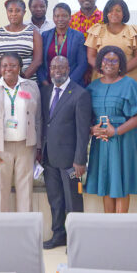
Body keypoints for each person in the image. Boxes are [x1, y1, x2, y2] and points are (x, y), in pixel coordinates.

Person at [86, 46, 137, 213]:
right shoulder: (92, 87)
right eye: (106, 60)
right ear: (100, 63)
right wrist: (93, 130)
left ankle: (121, 227)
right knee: (106, 183)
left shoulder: (129, 84)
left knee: (121, 184)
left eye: (115, 60)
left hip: (123, 140)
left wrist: (116, 131)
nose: (110, 64)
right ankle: (109, 228)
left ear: (121, 64)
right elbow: (85, 117)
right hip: (101, 142)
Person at [40, 56, 93, 249]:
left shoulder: (80, 94)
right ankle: (58, 235)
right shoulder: (45, 92)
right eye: (53, 67)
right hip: (49, 159)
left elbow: (82, 131)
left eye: (61, 67)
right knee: (55, 200)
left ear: (68, 68)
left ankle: (76, 239)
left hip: (71, 161)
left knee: (73, 200)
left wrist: (80, 160)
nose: (57, 71)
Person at [0, 52, 42, 212]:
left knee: (25, 190)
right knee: (0, 191)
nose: (9, 69)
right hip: (0, 149)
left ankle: (26, 233)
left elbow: (38, 118)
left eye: (13, 65)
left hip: (26, 147)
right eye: (5, 65)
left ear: (19, 67)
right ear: (0, 68)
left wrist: (39, 147)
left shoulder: (31, 86)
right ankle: (2, 232)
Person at [85, 0, 137, 81]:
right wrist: (106, 71)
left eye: (118, 10)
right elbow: (91, 57)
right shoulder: (97, 30)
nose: (114, 13)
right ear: (106, 13)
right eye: (110, 11)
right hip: (103, 77)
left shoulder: (133, 31)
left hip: (127, 78)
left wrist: (119, 71)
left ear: (124, 13)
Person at [0, 0, 43, 82]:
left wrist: (22, 79)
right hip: (4, 82)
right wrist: (4, 79)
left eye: (17, 11)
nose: (13, 14)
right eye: (10, 11)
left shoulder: (33, 33)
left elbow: (37, 61)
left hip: (27, 81)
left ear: (24, 12)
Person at [37, 3, 87, 86]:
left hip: (72, 85)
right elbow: (40, 62)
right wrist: (44, 82)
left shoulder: (78, 36)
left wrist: (68, 84)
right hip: (48, 84)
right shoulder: (45, 36)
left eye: (64, 16)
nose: (60, 19)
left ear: (70, 17)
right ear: (53, 18)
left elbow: (82, 64)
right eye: (57, 16)